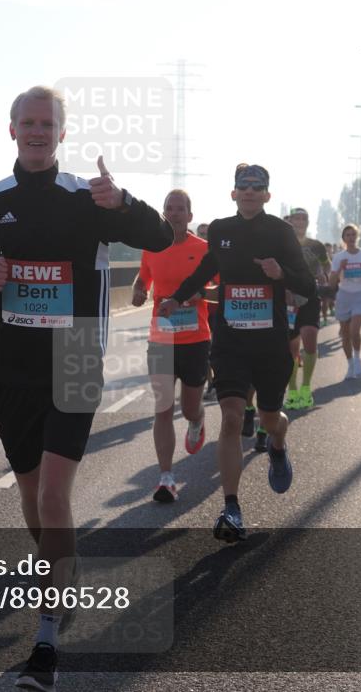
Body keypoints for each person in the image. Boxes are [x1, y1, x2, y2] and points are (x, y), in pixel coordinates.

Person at [0, 85, 172, 691]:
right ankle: (61, 570)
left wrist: (125, 202)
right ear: (11, 130)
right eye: (28, 123)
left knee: (55, 499)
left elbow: (160, 238)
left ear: (63, 133)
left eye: (48, 123)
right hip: (10, 370)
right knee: (36, 503)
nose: (38, 132)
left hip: (76, 361)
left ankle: (46, 638)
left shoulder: (90, 198)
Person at [159, 164, 315, 542]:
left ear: (266, 195)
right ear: (233, 193)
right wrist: (176, 297)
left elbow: (308, 285)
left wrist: (281, 275)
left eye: (257, 186)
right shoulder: (223, 230)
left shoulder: (279, 232)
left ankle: (278, 442)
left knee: (269, 416)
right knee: (231, 417)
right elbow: (207, 270)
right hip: (229, 340)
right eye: (243, 186)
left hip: (270, 342)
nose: (249, 191)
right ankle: (231, 507)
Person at [132, 190, 210, 503]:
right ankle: (166, 477)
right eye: (169, 208)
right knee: (163, 408)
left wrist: (198, 294)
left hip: (195, 338)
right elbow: (143, 279)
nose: (174, 213)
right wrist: (139, 290)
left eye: (180, 209)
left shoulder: (204, 249)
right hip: (162, 336)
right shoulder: (152, 247)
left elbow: (218, 286)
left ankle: (198, 419)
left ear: (190, 216)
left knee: (189, 407)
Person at [283, 208, 329, 409]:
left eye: (304, 218)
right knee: (292, 349)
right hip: (289, 300)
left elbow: (325, 265)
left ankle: (306, 387)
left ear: (308, 222)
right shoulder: (281, 243)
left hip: (310, 297)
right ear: (290, 221)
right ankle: (292, 389)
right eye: (297, 218)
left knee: (309, 339)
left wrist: (321, 273)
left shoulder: (316, 246)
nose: (300, 221)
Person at [330, 224, 361, 380]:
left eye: (353, 235)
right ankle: (350, 363)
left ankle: (357, 359)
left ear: (357, 237)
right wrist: (339, 269)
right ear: (343, 238)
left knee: (354, 331)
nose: (350, 238)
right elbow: (331, 282)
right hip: (344, 296)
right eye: (347, 235)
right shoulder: (338, 257)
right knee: (345, 334)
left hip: (360, 295)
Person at [196, 222, 220, 400]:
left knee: (217, 351)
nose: (203, 236)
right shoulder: (193, 253)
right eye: (201, 233)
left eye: (206, 234)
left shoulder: (220, 254)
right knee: (206, 352)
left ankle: (219, 380)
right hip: (200, 311)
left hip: (220, 310)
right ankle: (211, 383)